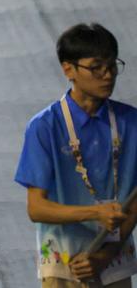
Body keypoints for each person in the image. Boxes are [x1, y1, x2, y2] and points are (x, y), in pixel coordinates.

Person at [16, 23, 137, 287]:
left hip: (114, 265)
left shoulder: (131, 123)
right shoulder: (45, 126)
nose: (107, 76)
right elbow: (37, 208)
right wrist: (95, 213)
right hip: (63, 266)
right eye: (96, 67)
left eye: (112, 66)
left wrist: (105, 255)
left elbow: (135, 201)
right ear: (68, 69)